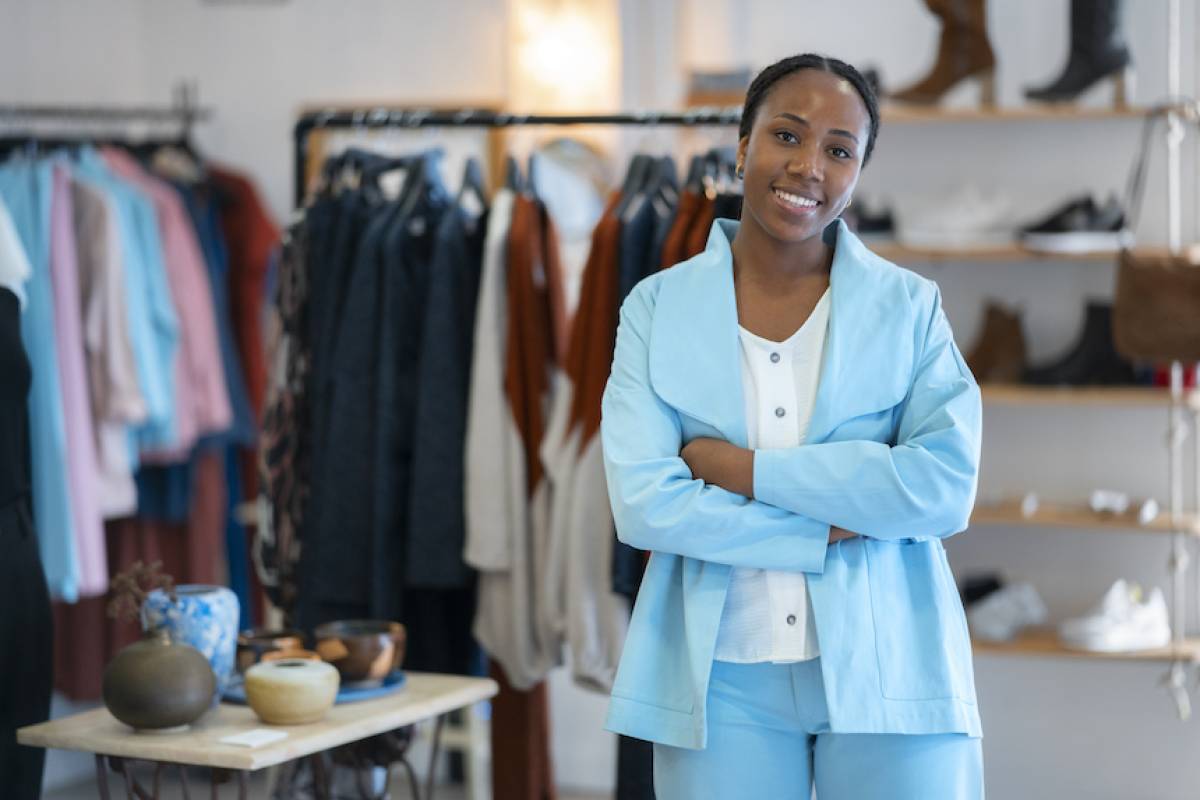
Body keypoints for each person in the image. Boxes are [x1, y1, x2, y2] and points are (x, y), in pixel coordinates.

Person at [600, 53, 983, 799]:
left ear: (858, 171)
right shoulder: (656, 307)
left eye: (840, 150)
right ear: (742, 147)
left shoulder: (909, 308)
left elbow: (942, 488)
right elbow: (644, 504)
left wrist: (737, 470)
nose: (809, 166)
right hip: (721, 682)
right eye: (787, 135)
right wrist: (827, 523)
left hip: (895, 668)